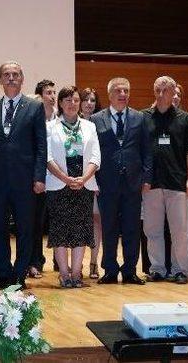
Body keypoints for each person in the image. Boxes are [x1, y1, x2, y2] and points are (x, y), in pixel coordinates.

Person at [0, 61, 47, 289]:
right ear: (0, 80)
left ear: (22, 79)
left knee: (25, 228)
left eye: (15, 74)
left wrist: (39, 177)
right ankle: (3, 272)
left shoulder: (34, 107)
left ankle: (19, 274)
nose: (11, 78)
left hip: (25, 180)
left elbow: (41, 145)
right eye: (6, 75)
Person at [90, 77, 152, 285]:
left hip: (133, 183)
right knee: (108, 227)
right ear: (109, 94)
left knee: (132, 228)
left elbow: (147, 151)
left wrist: (146, 178)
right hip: (105, 183)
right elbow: (92, 152)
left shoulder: (140, 118)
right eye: (118, 90)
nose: (123, 94)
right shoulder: (96, 119)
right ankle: (109, 270)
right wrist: (93, 181)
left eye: (126, 90)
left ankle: (130, 271)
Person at [142, 76, 188, 284]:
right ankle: (157, 268)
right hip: (151, 183)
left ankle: (180, 270)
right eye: (158, 88)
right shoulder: (143, 117)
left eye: (166, 89)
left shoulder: (185, 119)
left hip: (177, 182)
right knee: (152, 230)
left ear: (174, 91)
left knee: (180, 231)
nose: (161, 92)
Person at [46, 86, 100, 288]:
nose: (72, 104)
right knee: (60, 231)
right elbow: (48, 157)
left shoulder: (89, 127)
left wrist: (83, 179)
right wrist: (66, 178)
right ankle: (64, 274)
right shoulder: (50, 127)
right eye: (67, 100)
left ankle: (76, 274)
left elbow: (96, 157)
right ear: (60, 103)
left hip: (84, 184)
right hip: (59, 183)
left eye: (75, 100)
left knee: (81, 230)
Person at [28, 79, 56, 279]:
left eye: (54, 93)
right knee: (34, 223)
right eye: (48, 93)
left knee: (52, 222)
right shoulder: (31, 116)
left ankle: (56, 261)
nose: (52, 96)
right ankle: (34, 261)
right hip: (37, 178)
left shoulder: (59, 118)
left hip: (56, 179)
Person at [79, 87, 102, 279]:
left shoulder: (100, 123)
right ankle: (73, 264)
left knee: (96, 220)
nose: (89, 103)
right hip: (72, 179)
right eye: (85, 99)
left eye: (93, 100)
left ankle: (94, 262)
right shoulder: (71, 122)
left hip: (94, 179)